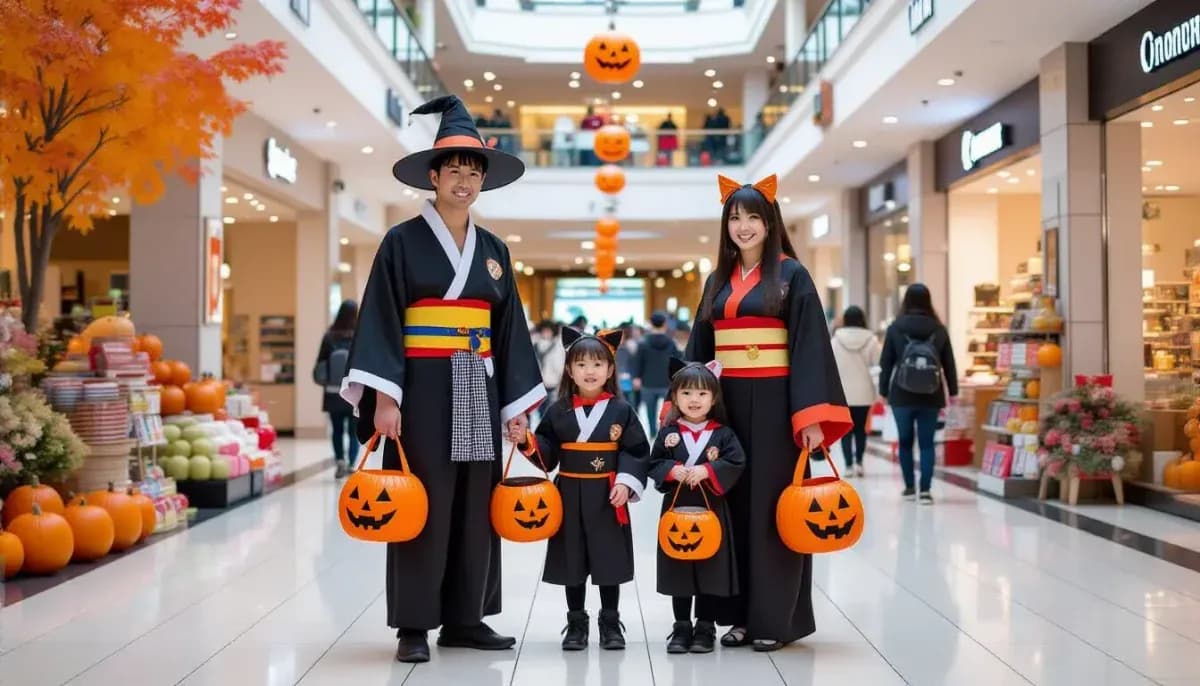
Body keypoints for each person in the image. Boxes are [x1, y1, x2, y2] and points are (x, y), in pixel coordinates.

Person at [339, 95, 546, 664]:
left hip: (477, 384)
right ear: (433, 176)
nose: (464, 180)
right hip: (420, 386)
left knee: (476, 502)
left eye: (473, 171)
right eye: (453, 170)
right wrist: (385, 397)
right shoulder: (401, 243)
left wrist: (516, 406)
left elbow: (511, 334)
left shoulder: (496, 252)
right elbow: (382, 319)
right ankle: (413, 623)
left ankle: (466, 616)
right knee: (421, 500)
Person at [686, 173, 851, 651]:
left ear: (770, 221)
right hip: (725, 406)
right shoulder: (718, 279)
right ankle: (735, 615)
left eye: (753, 217)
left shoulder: (792, 274)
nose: (743, 226)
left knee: (774, 510)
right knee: (731, 505)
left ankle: (774, 620)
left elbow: (810, 348)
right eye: (734, 217)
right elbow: (700, 347)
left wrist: (811, 417)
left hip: (778, 404)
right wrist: (687, 408)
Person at [514, 328, 650, 651]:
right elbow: (547, 451)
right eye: (582, 364)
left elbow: (636, 450)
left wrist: (625, 481)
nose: (590, 371)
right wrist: (526, 440)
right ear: (569, 370)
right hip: (568, 493)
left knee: (609, 561)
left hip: (607, 495)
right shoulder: (558, 410)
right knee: (571, 560)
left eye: (597, 364)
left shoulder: (621, 410)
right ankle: (576, 622)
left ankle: (610, 622)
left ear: (611, 370)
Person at [648, 359, 745, 655]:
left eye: (702, 394)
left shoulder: (723, 434)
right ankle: (681, 626)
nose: (694, 400)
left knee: (711, 567)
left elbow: (736, 461)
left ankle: (705, 626)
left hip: (712, 508)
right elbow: (653, 462)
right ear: (675, 396)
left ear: (714, 398)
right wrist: (671, 470)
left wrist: (709, 470)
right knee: (679, 566)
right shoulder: (668, 433)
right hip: (677, 508)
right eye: (687, 393)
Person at [878, 283, 958, 505]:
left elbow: (886, 362)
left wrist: (883, 391)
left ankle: (909, 487)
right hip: (931, 395)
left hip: (901, 395)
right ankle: (925, 490)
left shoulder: (896, 327)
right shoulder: (939, 329)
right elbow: (949, 363)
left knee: (904, 441)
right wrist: (953, 391)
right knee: (926, 443)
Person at [831, 305, 881, 477]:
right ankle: (859, 462)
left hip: (843, 393)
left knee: (846, 431)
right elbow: (876, 367)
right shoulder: (872, 340)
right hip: (865, 392)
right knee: (860, 429)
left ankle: (848, 466)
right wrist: (878, 391)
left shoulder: (836, 340)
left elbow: (831, 367)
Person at [313, 299, 359, 478]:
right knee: (353, 431)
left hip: (332, 391)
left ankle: (340, 460)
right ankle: (351, 464)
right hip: (354, 391)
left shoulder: (329, 336)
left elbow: (320, 363)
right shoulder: (358, 335)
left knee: (337, 429)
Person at [635, 311, 681, 437]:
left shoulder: (643, 343)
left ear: (650, 323)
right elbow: (677, 360)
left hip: (647, 381)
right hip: (667, 381)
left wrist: (637, 377)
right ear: (665, 324)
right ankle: (666, 432)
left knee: (650, 410)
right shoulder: (671, 343)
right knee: (669, 409)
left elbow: (638, 361)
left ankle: (652, 433)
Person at [533, 320, 565, 420]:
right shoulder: (535, 344)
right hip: (539, 383)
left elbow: (559, 365)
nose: (546, 333)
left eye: (548, 331)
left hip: (552, 383)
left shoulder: (557, 346)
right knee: (541, 410)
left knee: (550, 409)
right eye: (544, 330)